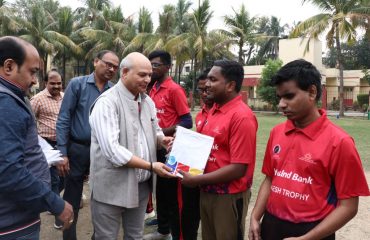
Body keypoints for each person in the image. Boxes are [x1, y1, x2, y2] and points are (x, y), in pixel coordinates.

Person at [248, 59, 370, 240]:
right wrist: (255, 216)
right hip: (271, 224)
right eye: (279, 97)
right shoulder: (277, 132)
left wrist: (308, 238)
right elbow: (270, 178)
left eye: (289, 96)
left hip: (314, 230)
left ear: (312, 92)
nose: (281, 104)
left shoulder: (340, 142)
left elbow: (349, 206)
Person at [89, 52, 175, 240]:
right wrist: (151, 166)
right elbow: (113, 152)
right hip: (111, 187)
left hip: (141, 186)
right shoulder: (107, 103)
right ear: (125, 72)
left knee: (135, 235)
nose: (147, 79)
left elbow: (155, 129)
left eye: (149, 75)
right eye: (142, 75)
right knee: (106, 237)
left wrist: (161, 139)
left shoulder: (147, 102)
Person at [0, 36, 73, 240]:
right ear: (9, 66)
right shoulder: (5, 102)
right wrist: (56, 203)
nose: (34, 80)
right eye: (32, 72)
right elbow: (8, 170)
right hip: (13, 223)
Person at [181, 60, 258, 240]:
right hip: (207, 190)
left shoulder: (242, 116)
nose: (207, 85)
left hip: (229, 196)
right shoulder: (213, 111)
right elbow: (206, 149)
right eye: (207, 79)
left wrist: (197, 180)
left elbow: (239, 168)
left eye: (213, 80)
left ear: (230, 85)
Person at [56, 50, 119, 240]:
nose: (111, 69)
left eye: (115, 67)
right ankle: (69, 237)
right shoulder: (77, 85)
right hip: (78, 149)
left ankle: (98, 237)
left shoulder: (114, 90)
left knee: (104, 198)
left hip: (104, 151)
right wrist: (62, 153)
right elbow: (64, 118)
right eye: (108, 63)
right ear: (96, 61)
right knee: (72, 198)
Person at [144, 50, 192, 240]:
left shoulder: (174, 90)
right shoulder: (152, 88)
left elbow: (187, 121)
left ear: (167, 67)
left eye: (156, 65)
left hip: (170, 149)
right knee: (160, 192)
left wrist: (160, 133)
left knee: (171, 195)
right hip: (154, 148)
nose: (152, 68)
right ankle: (163, 230)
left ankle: (173, 232)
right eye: (150, 65)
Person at [30, 69, 65, 229]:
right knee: (55, 180)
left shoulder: (65, 97)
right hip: (47, 145)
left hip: (64, 144)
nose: (56, 86)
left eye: (59, 83)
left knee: (65, 177)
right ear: (46, 83)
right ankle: (59, 217)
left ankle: (52, 200)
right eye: (53, 83)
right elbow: (29, 120)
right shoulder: (37, 99)